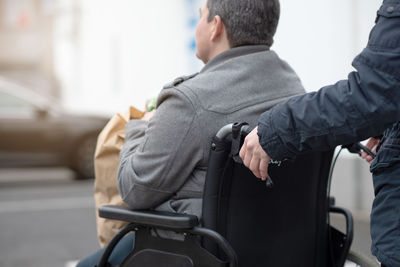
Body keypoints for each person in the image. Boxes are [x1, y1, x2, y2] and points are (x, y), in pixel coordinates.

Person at [78, 0, 305, 266]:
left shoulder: (190, 101)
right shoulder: (294, 86)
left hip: (199, 248)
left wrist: (141, 125)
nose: (197, 26)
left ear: (215, 27)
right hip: (282, 242)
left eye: (201, 17)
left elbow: (136, 189)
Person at [239, 1, 400, 266]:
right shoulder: (290, 81)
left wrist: (277, 130)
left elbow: (373, 94)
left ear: (216, 26)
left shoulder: (188, 102)